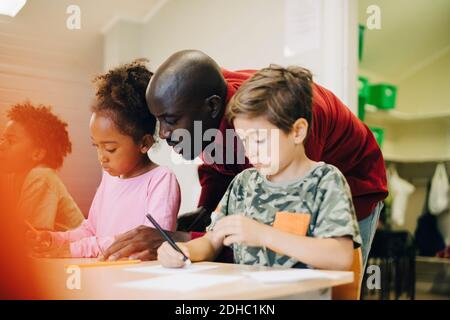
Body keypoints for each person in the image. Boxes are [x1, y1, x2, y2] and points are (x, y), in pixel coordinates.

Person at [103, 50, 387, 266]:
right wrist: (201, 224)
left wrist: (250, 233)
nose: (164, 133)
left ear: (213, 108)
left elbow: (314, 240)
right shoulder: (208, 118)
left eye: (171, 121)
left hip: (355, 178)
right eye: (159, 121)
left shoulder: (288, 135)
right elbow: (221, 172)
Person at [157, 65, 361, 270]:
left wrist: (263, 234)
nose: (250, 152)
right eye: (244, 140)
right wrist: (184, 250)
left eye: (260, 140)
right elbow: (211, 242)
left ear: (298, 131)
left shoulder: (325, 181)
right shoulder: (243, 184)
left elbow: (340, 257)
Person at [27, 60, 181, 258]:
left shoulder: (161, 180)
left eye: (110, 149)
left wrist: (74, 250)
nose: (101, 158)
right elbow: (91, 230)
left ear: (144, 143)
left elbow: (149, 242)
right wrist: (54, 239)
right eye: (96, 146)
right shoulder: (110, 179)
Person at [0, 102, 84, 231]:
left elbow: (27, 236)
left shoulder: (41, 176)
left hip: (78, 248)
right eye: (2, 139)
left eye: (11, 141)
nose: (1, 146)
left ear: (37, 153)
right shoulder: (13, 176)